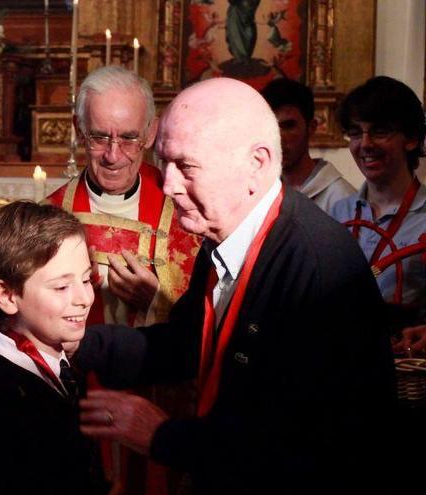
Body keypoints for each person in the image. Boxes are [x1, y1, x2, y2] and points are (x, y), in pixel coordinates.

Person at [74, 77, 395, 493]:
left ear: (256, 163)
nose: (168, 185)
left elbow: (299, 446)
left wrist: (161, 435)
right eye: (164, 162)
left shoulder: (318, 270)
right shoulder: (223, 233)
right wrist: (80, 343)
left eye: (186, 166)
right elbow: (188, 343)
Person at [0, 66, 200, 495]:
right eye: (98, 137)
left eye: (128, 137)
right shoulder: (47, 222)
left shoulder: (187, 218)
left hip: (155, 403)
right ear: (78, 130)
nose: (114, 154)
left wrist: (157, 301)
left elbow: (211, 328)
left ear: (150, 132)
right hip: (61, 406)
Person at [0, 201, 105, 495]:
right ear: (6, 295)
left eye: (87, 279)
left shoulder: (66, 371)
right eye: (61, 287)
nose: (85, 298)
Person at [328, 76, 426, 354]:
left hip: (405, 369)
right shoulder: (339, 213)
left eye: (380, 132)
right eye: (356, 133)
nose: (365, 144)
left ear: (412, 139)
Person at [261, 78, 355, 212]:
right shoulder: (261, 193)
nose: (278, 138)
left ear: (311, 127)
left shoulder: (342, 200)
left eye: (288, 126)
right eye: (272, 127)